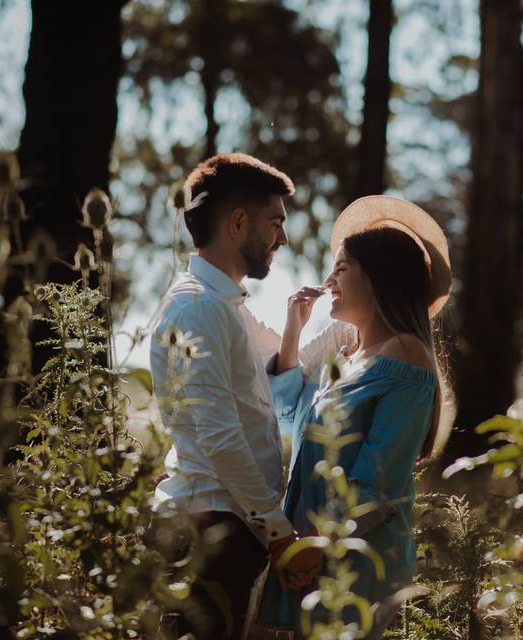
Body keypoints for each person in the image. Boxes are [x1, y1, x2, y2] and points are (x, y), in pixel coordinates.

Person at [258, 195, 452, 639]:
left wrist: (316, 547)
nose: (329, 280)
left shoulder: (406, 358)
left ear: (378, 276)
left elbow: (378, 482)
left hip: (357, 569)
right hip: (312, 560)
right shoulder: (348, 358)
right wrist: (293, 330)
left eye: (341, 268)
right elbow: (286, 420)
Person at [149, 153, 323, 640]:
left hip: (227, 527)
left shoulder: (224, 308)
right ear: (238, 222)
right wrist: (279, 532)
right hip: (208, 531)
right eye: (275, 223)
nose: (282, 238)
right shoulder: (198, 308)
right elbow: (220, 436)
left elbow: (285, 367)